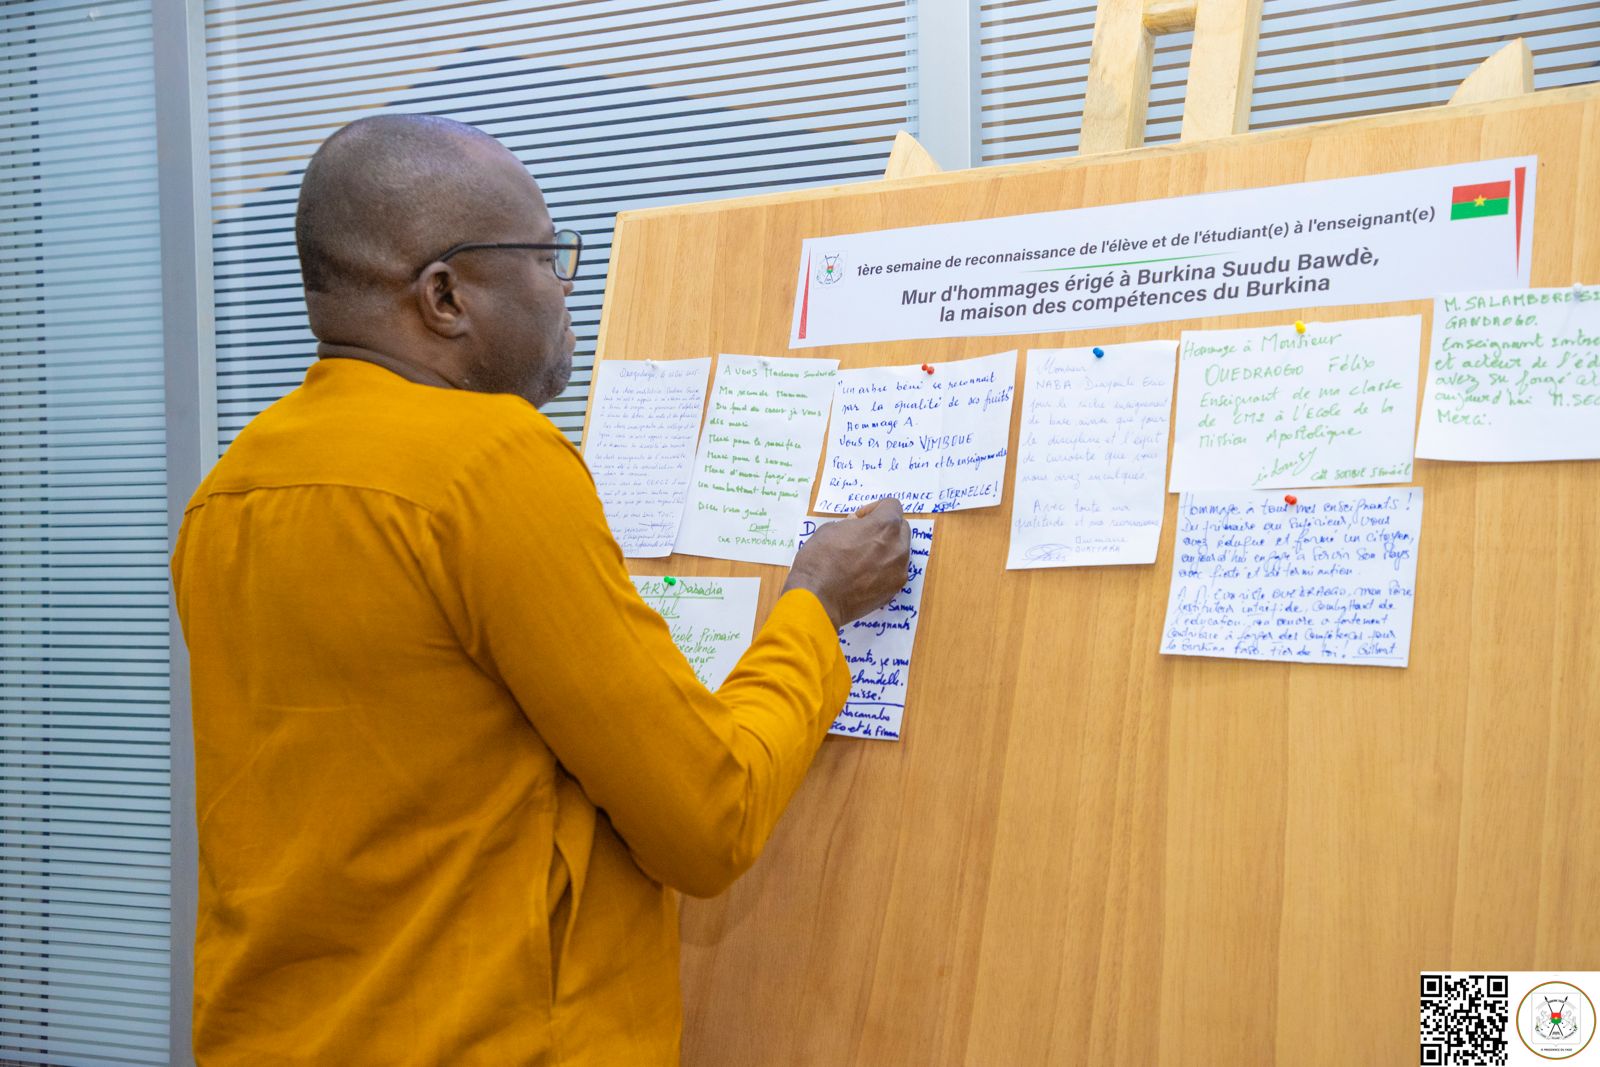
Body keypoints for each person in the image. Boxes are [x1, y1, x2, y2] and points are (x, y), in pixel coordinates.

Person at [171, 114, 910, 1065]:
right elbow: (706, 819)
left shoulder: (230, 491)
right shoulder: (492, 464)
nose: (566, 288)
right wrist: (816, 603)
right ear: (444, 296)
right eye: (544, 257)